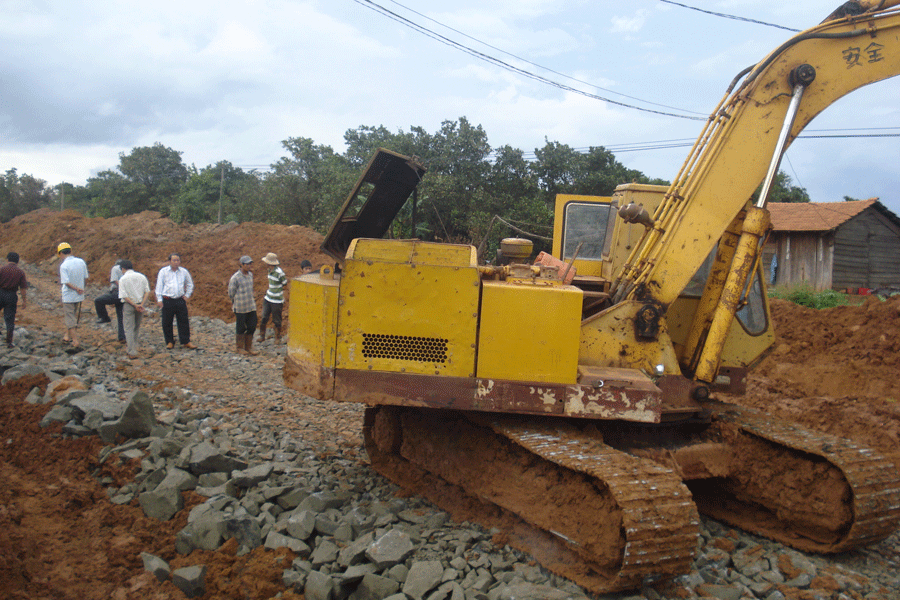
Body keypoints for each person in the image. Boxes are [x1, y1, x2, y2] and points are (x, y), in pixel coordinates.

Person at [154, 253, 197, 350]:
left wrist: (187, 295)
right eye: (174, 260)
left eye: (178, 260)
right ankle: (169, 341)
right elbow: (159, 285)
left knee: (183, 320)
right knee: (167, 321)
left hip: (180, 299)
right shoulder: (163, 271)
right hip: (167, 299)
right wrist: (159, 299)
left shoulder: (184, 272)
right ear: (169, 261)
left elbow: (190, 284)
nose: (176, 262)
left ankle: (186, 341)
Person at [57, 242, 89, 348]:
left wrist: (76, 288)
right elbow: (85, 277)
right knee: (72, 315)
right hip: (79, 295)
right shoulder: (81, 262)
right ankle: (67, 335)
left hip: (69, 295)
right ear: (71, 251)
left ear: (61, 253)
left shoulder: (64, 265)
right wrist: (81, 289)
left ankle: (75, 340)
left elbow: (66, 282)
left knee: (70, 318)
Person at [117, 260, 150, 359]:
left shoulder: (123, 279)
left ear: (123, 269)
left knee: (128, 327)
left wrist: (134, 305)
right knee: (136, 326)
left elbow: (124, 295)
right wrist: (141, 304)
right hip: (141, 304)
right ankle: (134, 346)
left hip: (129, 305)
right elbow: (147, 291)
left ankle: (131, 350)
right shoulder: (142, 276)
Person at [229, 255, 258, 355]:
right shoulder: (235, 278)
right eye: (247, 264)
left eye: (250, 264)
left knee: (252, 325)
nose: (249, 266)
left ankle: (248, 346)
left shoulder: (250, 275)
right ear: (241, 265)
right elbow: (231, 293)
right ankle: (240, 347)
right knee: (240, 327)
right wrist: (235, 302)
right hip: (240, 306)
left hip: (250, 305)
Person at [258, 252, 288, 344]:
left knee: (277, 319)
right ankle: (262, 335)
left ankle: (277, 337)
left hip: (277, 300)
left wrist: (278, 292)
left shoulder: (279, 273)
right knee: (264, 317)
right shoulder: (269, 271)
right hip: (268, 298)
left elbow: (285, 283)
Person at [0, 252, 28, 348]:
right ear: (18, 261)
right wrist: (24, 301)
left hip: (1, 293)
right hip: (11, 296)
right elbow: (23, 288)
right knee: (10, 318)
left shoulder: (2, 269)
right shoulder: (20, 272)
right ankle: (9, 341)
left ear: (7, 259)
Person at [94, 259, 126, 343]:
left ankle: (104, 317)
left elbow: (115, 280)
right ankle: (122, 337)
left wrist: (123, 288)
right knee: (121, 316)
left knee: (98, 301)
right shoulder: (129, 271)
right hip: (125, 295)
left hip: (117, 292)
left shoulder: (115, 268)